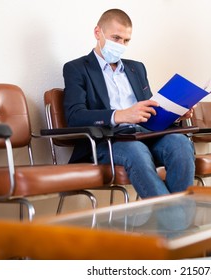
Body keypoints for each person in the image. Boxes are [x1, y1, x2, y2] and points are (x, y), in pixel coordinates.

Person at [62, 8, 195, 199]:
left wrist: (175, 114)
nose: (121, 45)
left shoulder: (137, 68)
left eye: (126, 40)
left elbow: (150, 110)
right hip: (109, 141)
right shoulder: (76, 68)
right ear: (97, 33)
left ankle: (174, 224)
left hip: (145, 135)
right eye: (116, 38)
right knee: (136, 151)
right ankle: (179, 224)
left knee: (181, 144)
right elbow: (75, 116)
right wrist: (120, 115)